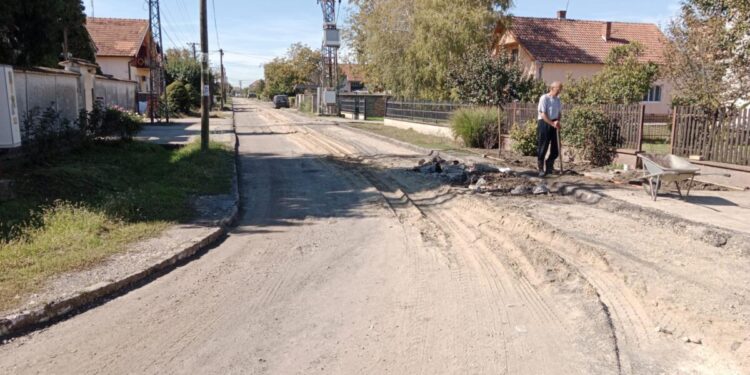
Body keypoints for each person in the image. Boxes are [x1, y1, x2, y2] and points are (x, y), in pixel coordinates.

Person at [537, 82, 563, 177]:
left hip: (554, 123)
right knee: (543, 146)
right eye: (558, 88)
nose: (560, 91)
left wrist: (557, 121)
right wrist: (552, 123)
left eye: (561, 89)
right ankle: (540, 168)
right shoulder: (544, 98)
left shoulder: (558, 99)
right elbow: (542, 113)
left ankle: (549, 166)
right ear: (552, 88)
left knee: (556, 147)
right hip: (544, 123)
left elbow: (559, 113)